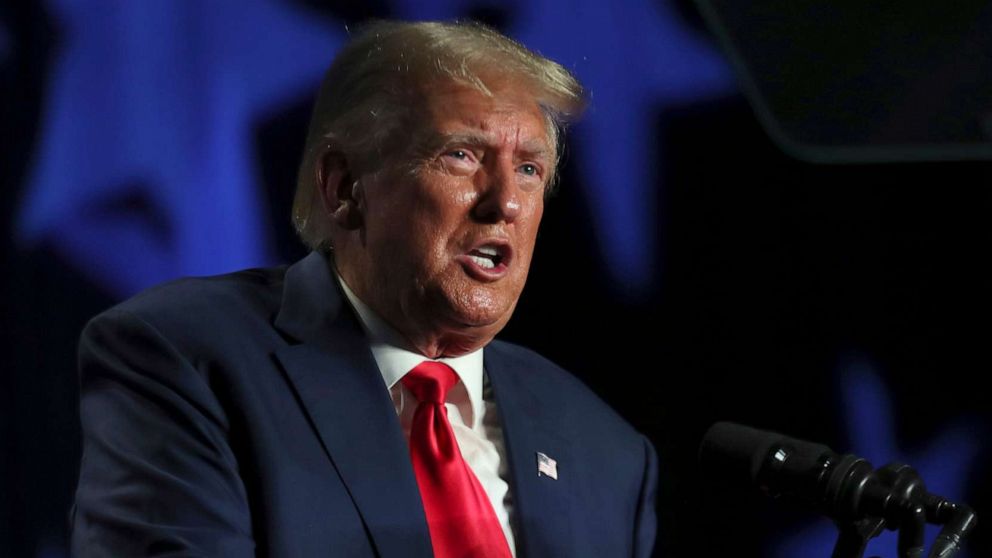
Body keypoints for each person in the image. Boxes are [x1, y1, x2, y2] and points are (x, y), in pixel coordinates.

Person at [71, 20, 658, 557]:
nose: (505, 200)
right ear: (345, 186)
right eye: (461, 155)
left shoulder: (604, 451)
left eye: (529, 169)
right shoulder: (187, 360)